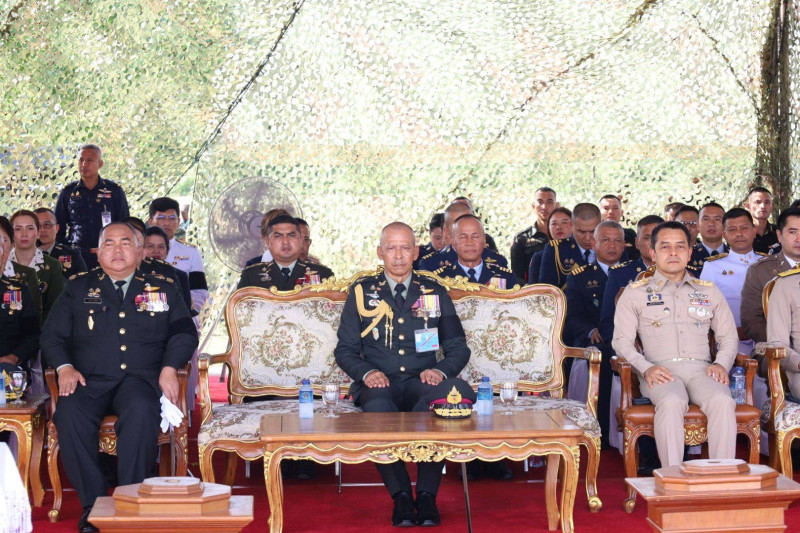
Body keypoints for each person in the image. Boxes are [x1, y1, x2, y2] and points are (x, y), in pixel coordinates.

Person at [41, 222, 198, 533]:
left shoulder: (163, 287)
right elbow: (52, 335)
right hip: (89, 380)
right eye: (109, 243)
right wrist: (64, 367)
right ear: (98, 253)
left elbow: (184, 333)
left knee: (142, 411)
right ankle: (94, 506)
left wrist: (170, 367)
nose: (117, 250)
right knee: (68, 414)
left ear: (139, 252)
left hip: (139, 380)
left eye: (125, 243)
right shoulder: (77, 287)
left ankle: (130, 502)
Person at [334, 222, 470, 527]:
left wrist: (439, 371)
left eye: (405, 248)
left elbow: (458, 347)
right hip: (379, 382)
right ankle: (402, 497)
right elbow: (345, 350)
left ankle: (427, 496)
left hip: (423, 380)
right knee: (377, 408)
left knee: (439, 408)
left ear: (416, 252)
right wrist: (367, 372)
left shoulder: (433, 291)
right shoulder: (362, 292)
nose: (398, 255)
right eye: (391, 248)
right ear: (380, 252)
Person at [613, 221, 738, 467]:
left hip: (703, 370)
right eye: (665, 247)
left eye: (680, 246)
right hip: (660, 371)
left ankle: (720, 477)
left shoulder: (709, 291)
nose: (673, 252)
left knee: (722, 401)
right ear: (653, 253)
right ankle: (672, 477)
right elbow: (621, 342)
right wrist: (646, 368)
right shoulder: (635, 292)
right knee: (672, 402)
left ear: (690, 252)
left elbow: (728, 337)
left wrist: (721, 364)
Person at [54, 144, 130, 269]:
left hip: (107, 253)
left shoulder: (114, 190)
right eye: (81, 160)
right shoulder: (68, 192)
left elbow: (124, 224)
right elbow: (58, 227)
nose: (84, 164)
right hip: (76, 255)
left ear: (100, 164)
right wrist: (61, 253)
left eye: (89, 160)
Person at [700, 208, 761, 354]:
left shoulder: (768, 264)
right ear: (724, 235)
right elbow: (705, 308)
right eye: (732, 230)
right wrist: (730, 330)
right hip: (730, 341)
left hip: (768, 338)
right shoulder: (712, 266)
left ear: (754, 231)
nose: (739, 234)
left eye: (744, 228)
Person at [742, 207, 800, 346]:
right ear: (779, 235)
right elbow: (751, 320)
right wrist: (784, 345)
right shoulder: (760, 271)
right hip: (777, 350)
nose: (798, 239)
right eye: (792, 232)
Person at [238, 214, 334, 291]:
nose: (285, 242)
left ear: (299, 240)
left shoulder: (323, 275)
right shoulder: (251, 276)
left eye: (291, 235)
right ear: (267, 241)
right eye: (278, 236)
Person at [148, 197, 208, 315]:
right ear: (150, 221)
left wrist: (182, 310)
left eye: (172, 218)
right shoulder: (139, 250)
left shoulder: (191, 252)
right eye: (161, 218)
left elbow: (199, 291)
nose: (167, 223)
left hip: (181, 314)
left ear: (179, 221)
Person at [0, 216, 40, 380]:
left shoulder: (19, 291)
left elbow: (32, 336)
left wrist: (13, 358)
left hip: (7, 370)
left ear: (5, 254)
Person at [418, 202, 507, 271]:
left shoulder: (497, 260)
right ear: (447, 232)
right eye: (457, 224)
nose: (465, 227)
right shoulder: (430, 264)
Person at [9, 210, 65, 322]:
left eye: (30, 228)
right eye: (18, 229)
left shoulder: (53, 266)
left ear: (38, 232)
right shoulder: (3, 262)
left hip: (41, 329)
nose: (24, 234)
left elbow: (55, 309)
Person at [435, 215, 517, 288]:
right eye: (463, 237)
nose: (469, 243)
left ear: (484, 240)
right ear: (453, 241)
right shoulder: (440, 279)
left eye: (475, 236)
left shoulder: (505, 276)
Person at [539, 203, 604, 288]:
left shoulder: (612, 248)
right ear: (571, 225)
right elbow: (547, 290)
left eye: (593, 231)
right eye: (581, 232)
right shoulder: (556, 250)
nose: (588, 238)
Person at [510, 187, 557, 282]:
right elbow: (516, 276)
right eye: (540, 202)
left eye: (549, 202)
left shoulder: (565, 235)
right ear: (533, 206)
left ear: (556, 206)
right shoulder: (521, 239)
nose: (544, 207)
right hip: (534, 289)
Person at [34, 207, 88, 278]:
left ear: (57, 228)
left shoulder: (73, 256)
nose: (42, 230)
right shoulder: (21, 256)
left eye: (47, 224)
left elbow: (83, 283)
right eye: (37, 225)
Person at [527, 207, 572, 284]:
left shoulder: (583, 251)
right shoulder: (539, 257)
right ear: (549, 228)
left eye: (564, 222)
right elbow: (534, 288)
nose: (559, 227)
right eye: (554, 223)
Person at [599, 194, 639, 261]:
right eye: (606, 208)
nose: (611, 212)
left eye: (615, 208)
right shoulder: (591, 235)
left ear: (621, 212)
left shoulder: (630, 235)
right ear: (599, 212)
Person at [691, 202, 728, 269]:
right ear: (698, 225)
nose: (711, 223)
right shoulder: (688, 256)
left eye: (717, 219)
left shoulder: (735, 255)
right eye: (706, 219)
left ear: (725, 225)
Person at [745, 186, 780, 255]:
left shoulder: (779, 232)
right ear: (748, 207)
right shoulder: (742, 233)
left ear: (771, 206)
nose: (763, 206)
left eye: (767, 202)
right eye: (758, 202)